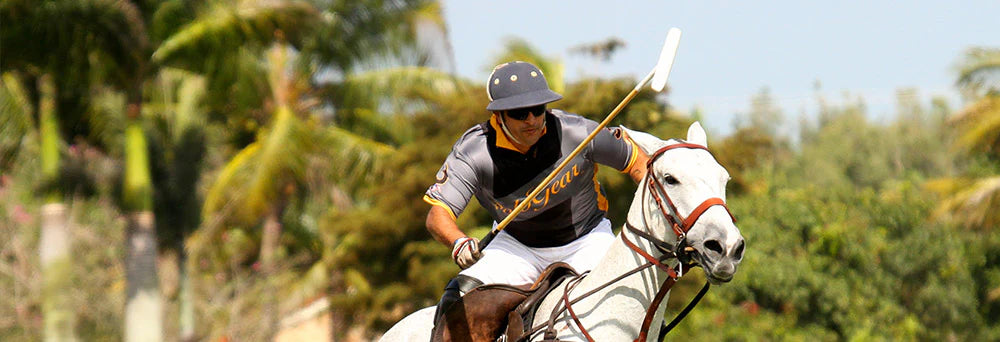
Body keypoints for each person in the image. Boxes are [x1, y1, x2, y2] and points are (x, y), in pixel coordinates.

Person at [422, 61, 650, 327]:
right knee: (457, 298)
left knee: (631, 298)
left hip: (586, 239)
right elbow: (438, 216)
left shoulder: (579, 133)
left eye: (537, 109)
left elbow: (639, 164)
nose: (531, 119)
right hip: (517, 247)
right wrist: (458, 242)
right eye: (519, 113)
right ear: (500, 115)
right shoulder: (474, 152)